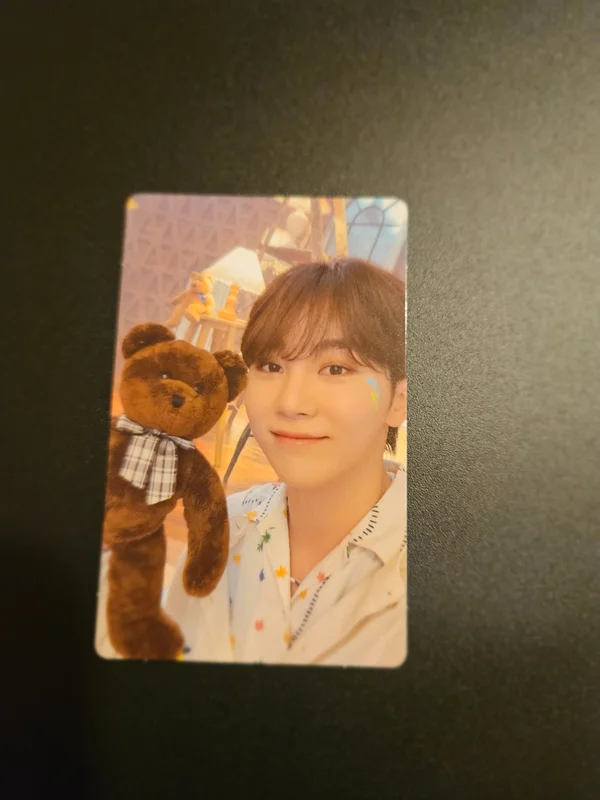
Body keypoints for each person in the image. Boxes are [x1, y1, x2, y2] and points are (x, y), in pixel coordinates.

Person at [96, 257, 407, 667]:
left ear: (398, 400)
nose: (291, 402)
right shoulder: (225, 529)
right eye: (271, 366)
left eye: (336, 368)